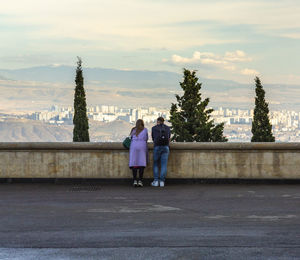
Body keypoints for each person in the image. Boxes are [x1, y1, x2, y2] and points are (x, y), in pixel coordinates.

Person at [151, 117, 171, 187]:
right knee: (164, 165)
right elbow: (169, 138)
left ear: (158, 121)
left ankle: (156, 181)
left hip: (157, 147)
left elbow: (153, 138)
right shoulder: (168, 128)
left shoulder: (154, 128)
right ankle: (162, 181)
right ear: (163, 121)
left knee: (156, 164)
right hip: (165, 147)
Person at [129, 119, 148, 187]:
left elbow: (131, 138)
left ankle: (134, 180)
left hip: (134, 147)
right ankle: (140, 181)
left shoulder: (133, 130)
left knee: (134, 164)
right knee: (141, 164)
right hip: (142, 147)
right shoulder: (145, 130)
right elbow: (146, 138)